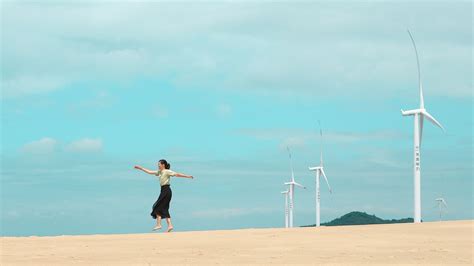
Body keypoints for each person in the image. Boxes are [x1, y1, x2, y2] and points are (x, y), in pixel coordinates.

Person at [134, 159, 193, 232]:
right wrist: (141, 168)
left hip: (166, 190)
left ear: (163, 165)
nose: (158, 165)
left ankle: (159, 224)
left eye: (159, 164)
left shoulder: (167, 171)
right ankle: (170, 225)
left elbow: (177, 174)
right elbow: (150, 172)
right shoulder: (160, 172)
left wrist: (187, 176)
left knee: (157, 206)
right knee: (164, 208)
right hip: (163, 190)